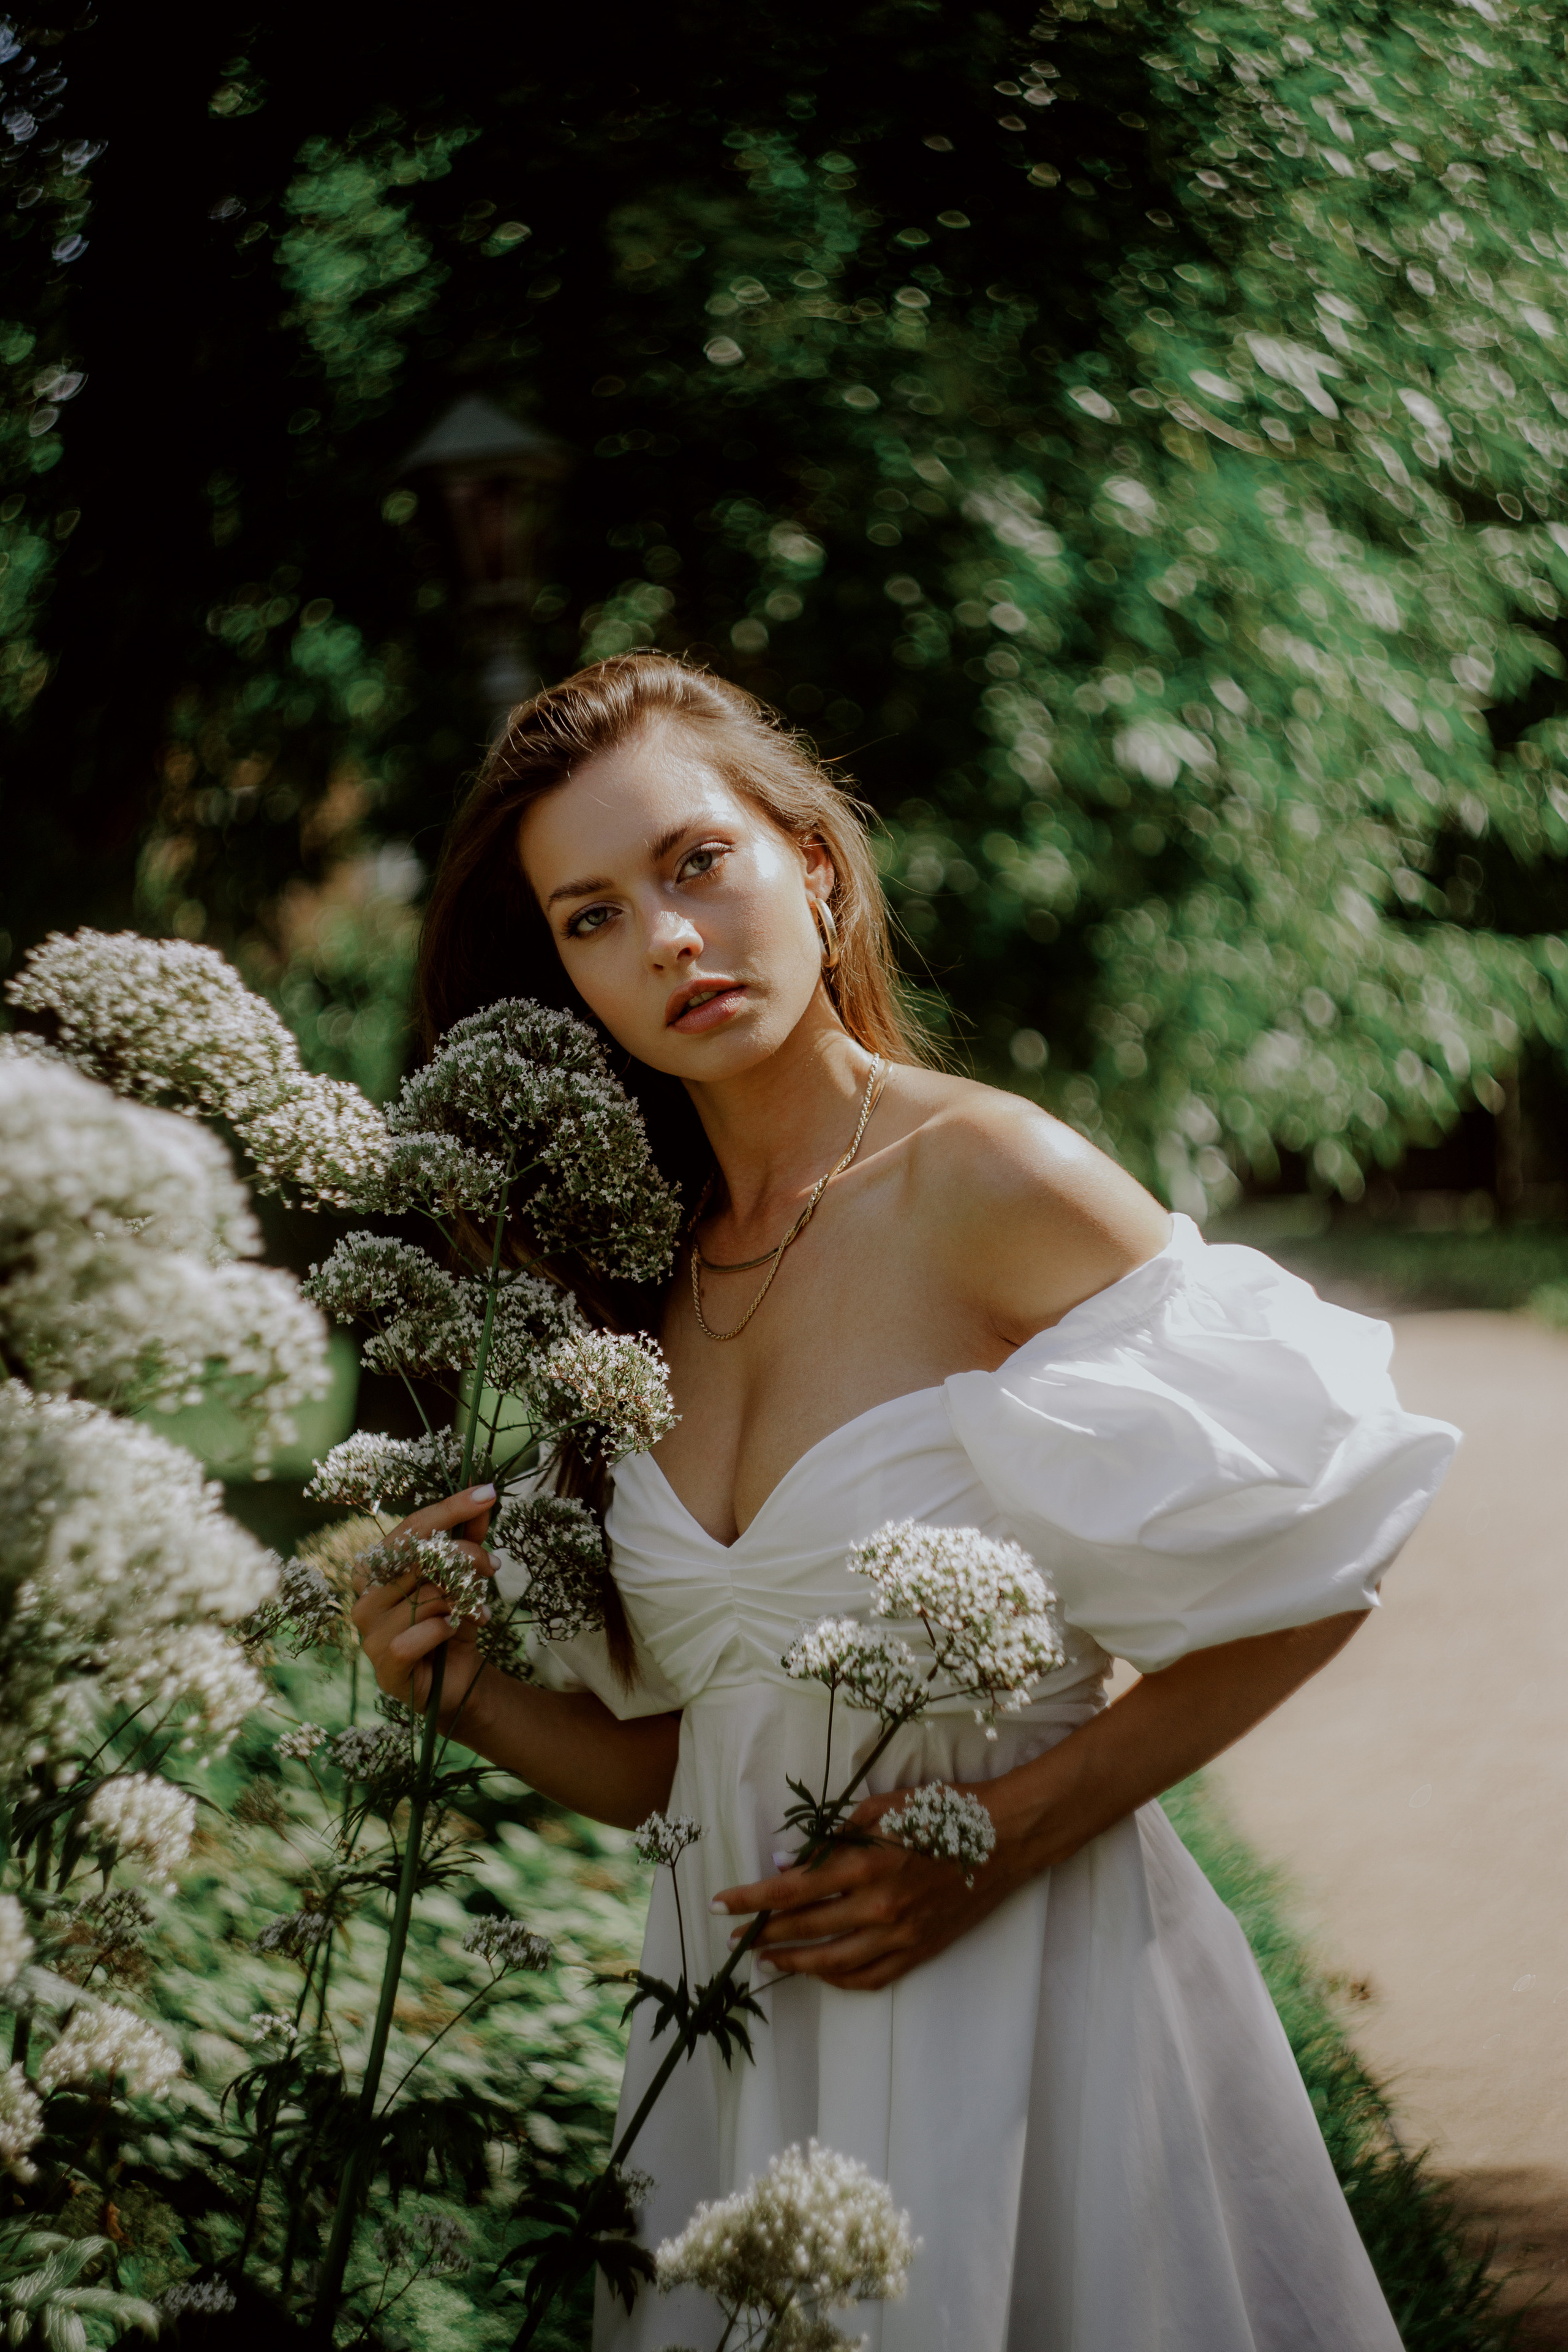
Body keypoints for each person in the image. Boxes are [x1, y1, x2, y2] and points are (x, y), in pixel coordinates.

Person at [352, 652, 1458, 2352]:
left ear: (813, 861)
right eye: (594, 917)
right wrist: (457, 1690)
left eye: (697, 863)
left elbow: (1323, 1567)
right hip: (738, 2043)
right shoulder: (635, 1282)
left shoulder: (987, 1178)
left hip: (1030, 2008)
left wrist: (999, 1839)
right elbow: (682, 1764)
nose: (667, 940)